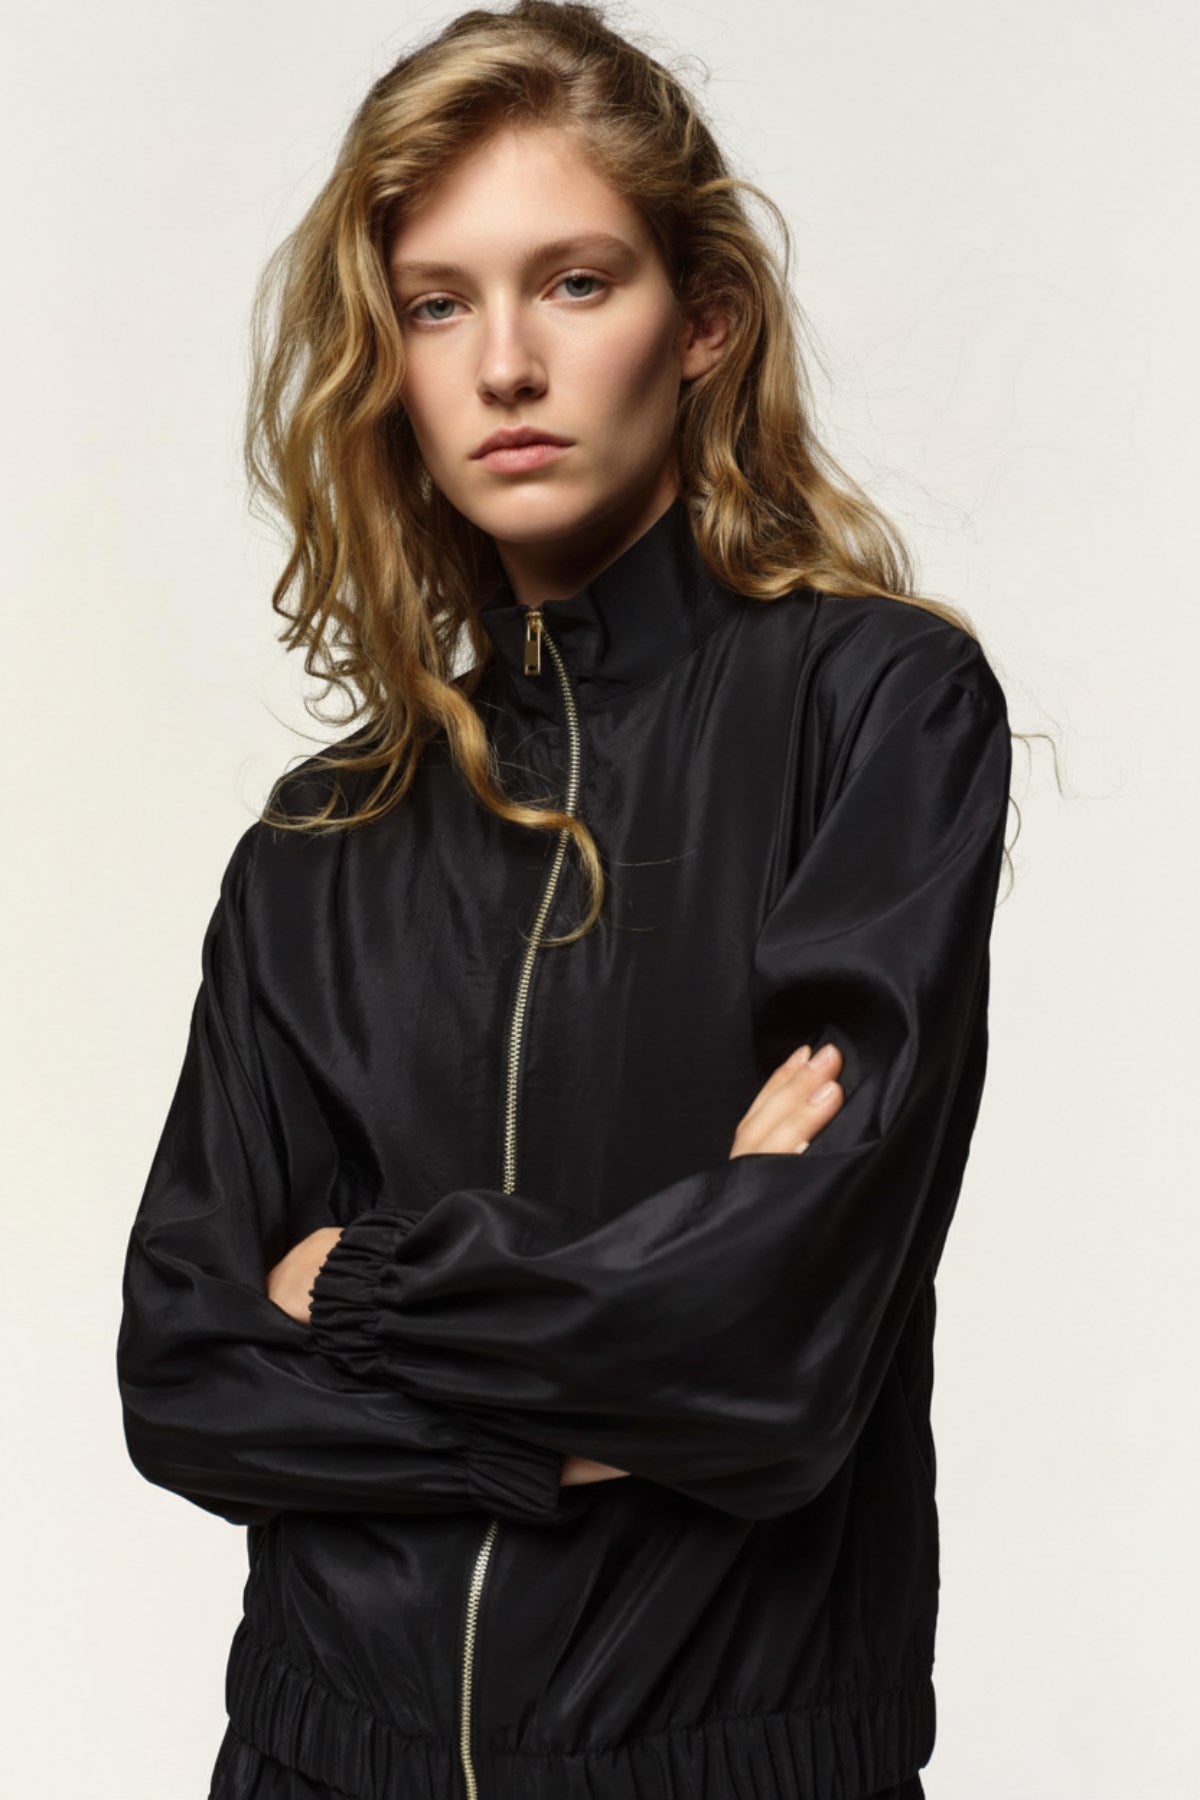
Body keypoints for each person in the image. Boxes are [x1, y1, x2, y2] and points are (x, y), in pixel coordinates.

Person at [115, 4, 1016, 1797]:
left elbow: (776, 1355)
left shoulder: (872, 713)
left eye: (576, 283)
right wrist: (587, 1408)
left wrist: (352, 1289)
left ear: (705, 322)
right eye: (437, 304)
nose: (507, 364)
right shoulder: (321, 837)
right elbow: (186, 1372)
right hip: (316, 1764)